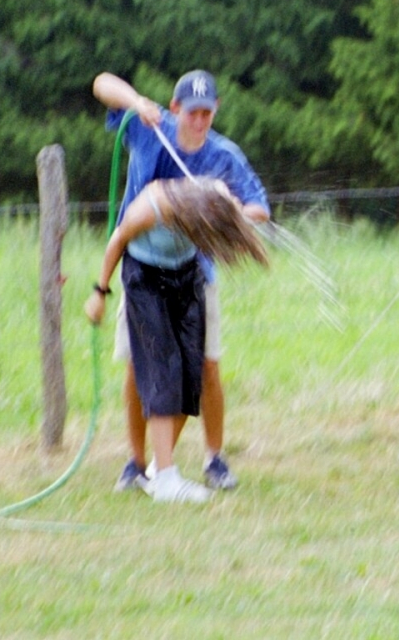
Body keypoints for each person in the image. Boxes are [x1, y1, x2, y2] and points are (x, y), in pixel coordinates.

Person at [93, 69, 270, 499]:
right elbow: (102, 84)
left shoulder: (224, 156)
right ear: (175, 109)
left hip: (196, 273)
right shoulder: (149, 128)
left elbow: (259, 209)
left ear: (216, 111)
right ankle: (137, 464)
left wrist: (226, 210)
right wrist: (136, 102)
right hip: (142, 269)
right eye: (192, 113)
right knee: (140, 368)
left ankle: (212, 458)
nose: (200, 121)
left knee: (204, 367)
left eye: (207, 113)